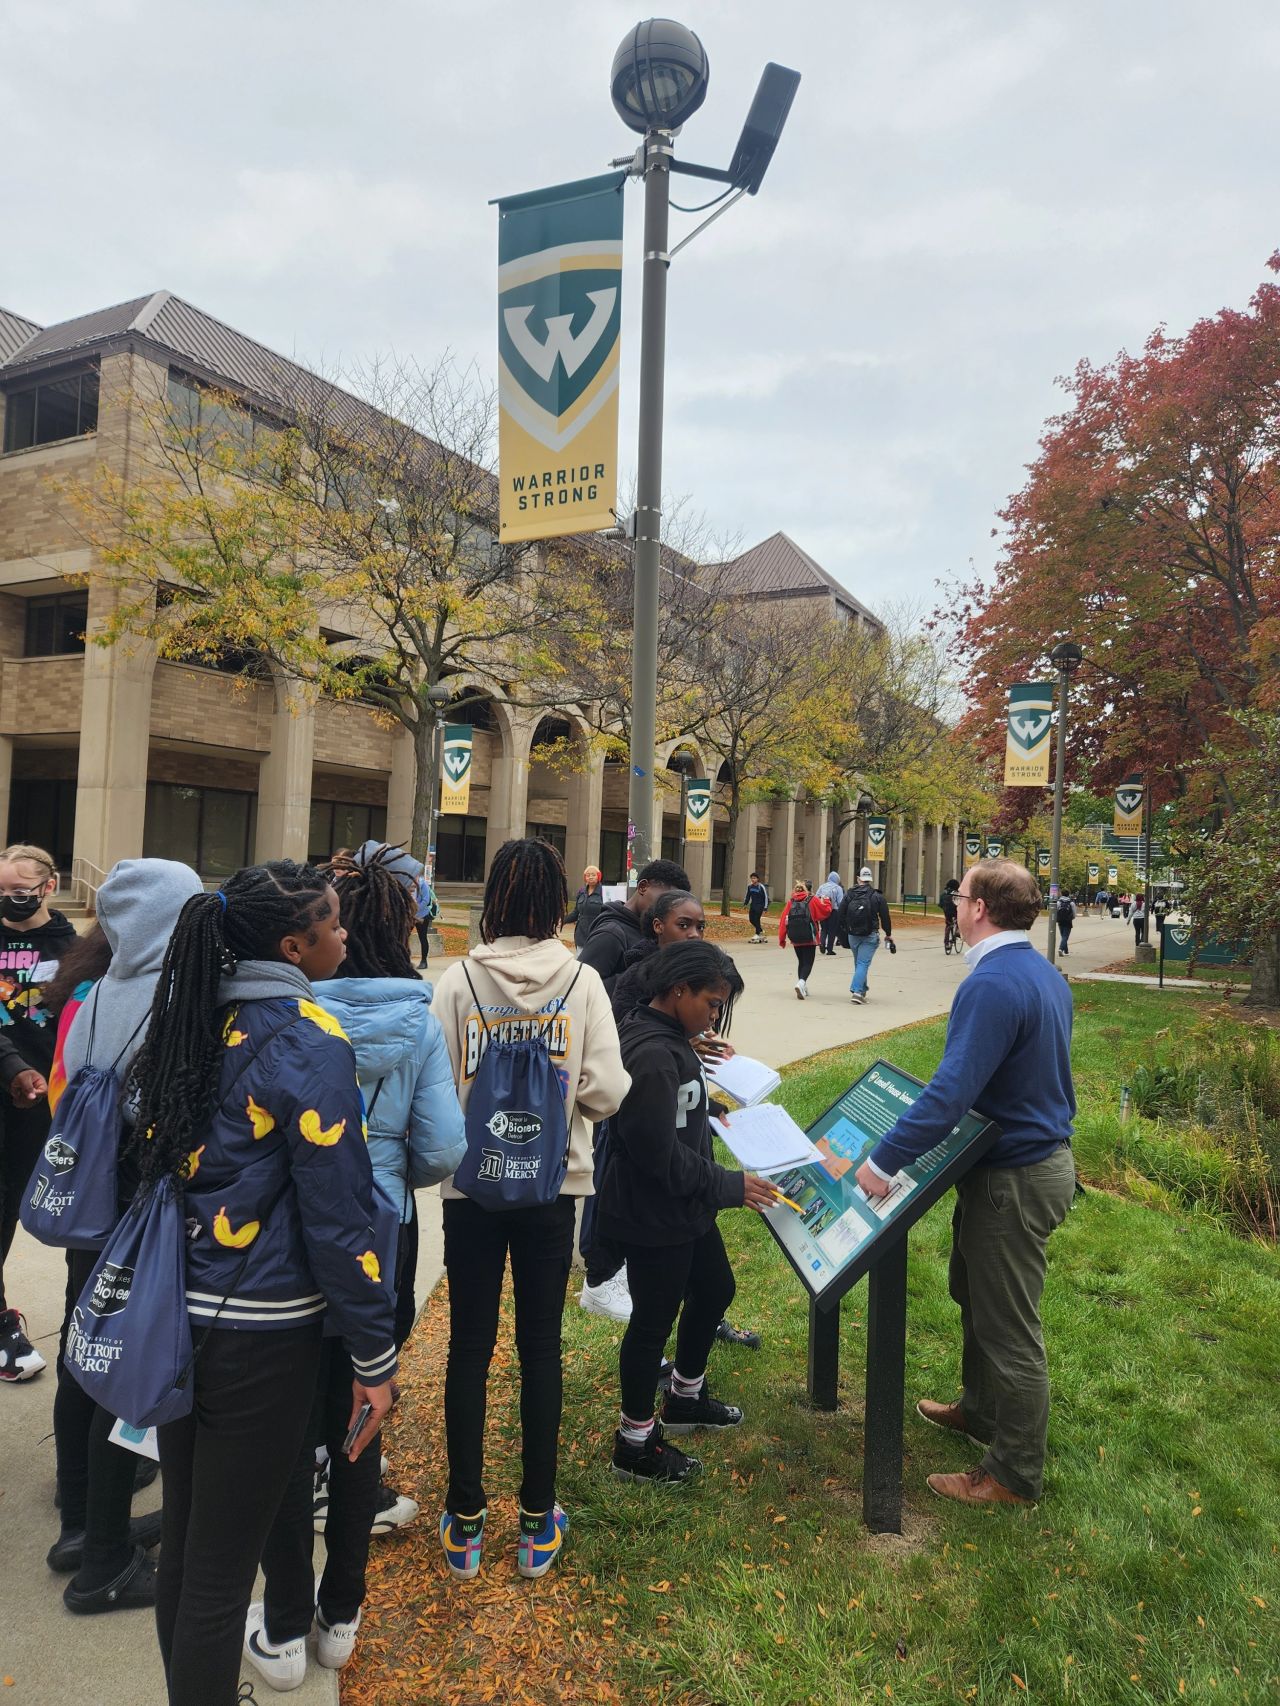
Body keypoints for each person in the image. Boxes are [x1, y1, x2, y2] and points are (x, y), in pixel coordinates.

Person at [127, 861, 398, 1706]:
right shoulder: (308, 1041)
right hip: (263, 1335)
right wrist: (374, 1354)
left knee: (193, 1554)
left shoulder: (185, 1023)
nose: (345, 934)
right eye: (332, 923)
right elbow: (340, 1219)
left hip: (179, 1321)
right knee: (216, 1576)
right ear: (293, 945)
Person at [248, 847, 465, 1688]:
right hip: (381, 1232)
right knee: (361, 1402)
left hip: (282, 1235)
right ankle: (343, 1608)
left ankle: (282, 1616)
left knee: (279, 1423)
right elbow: (444, 1146)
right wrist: (387, 1164)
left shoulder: (284, 1012)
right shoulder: (416, 1019)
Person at [431, 839, 629, 1582]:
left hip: (470, 1188)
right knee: (539, 1349)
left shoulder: (456, 982)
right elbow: (608, 1093)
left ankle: (465, 1518)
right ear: (555, 904)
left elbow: (436, 1086)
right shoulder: (580, 983)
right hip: (553, 1190)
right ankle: (538, 1520)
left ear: (492, 900)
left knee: (469, 1350)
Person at [853, 859, 1076, 1510]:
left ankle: (1012, 1475)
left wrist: (883, 1159)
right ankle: (980, 1411)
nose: (954, 903)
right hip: (1016, 1168)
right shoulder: (1039, 972)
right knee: (972, 1293)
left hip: (1016, 1177)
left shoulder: (994, 982)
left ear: (979, 909)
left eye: (960, 895)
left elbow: (951, 1092)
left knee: (1010, 1329)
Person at [49, 860, 204, 1616]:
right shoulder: (178, 1000)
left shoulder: (94, 996)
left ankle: (82, 1526)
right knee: (132, 1378)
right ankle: (106, 1562)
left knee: (87, 1357)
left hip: (92, 1215)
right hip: (145, 1220)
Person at [596, 940, 777, 1484]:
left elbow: (678, 1108)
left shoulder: (672, 1038)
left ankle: (684, 1397)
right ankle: (634, 1441)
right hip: (656, 1214)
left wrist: (715, 1111)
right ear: (677, 991)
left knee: (716, 1289)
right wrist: (728, 1185)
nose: (715, 1015)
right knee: (653, 1322)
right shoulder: (652, 1053)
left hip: (685, 1208)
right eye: (712, 1002)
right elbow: (655, 1152)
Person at [574, 857, 689, 1320]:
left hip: (638, 1060)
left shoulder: (640, 932)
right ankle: (595, 1260)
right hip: (613, 1063)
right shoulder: (611, 935)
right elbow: (583, 986)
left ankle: (611, 1257)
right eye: (662, 900)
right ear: (642, 890)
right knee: (608, 1161)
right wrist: (637, 979)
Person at [0, 842, 78, 1383]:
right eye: (1, 890)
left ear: (48, 886)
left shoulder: (76, 945)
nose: (10, 899)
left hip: (51, 1102)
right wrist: (11, 1068)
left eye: (20, 890)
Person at [577, 858, 691, 992]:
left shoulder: (654, 929)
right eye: (664, 900)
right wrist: (640, 976)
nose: (667, 909)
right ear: (643, 887)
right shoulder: (610, 934)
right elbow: (579, 988)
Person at [837, 868, 893, 1005]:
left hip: (853, 935)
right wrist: (888, 933)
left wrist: (845, 929)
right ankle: (857, 991)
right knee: (863, 963)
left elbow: (840, 913)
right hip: (870, 935)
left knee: (859, 963)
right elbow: (885, 917)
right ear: (870, 880)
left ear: (858, 878)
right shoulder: (877, 896)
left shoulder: (849, 894)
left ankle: (862, 990)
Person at [778, 881, 830, 1000]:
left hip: (795, 937)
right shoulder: (812, 900)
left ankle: (803, 985)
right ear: (807, 890)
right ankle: (801, 983)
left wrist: (782, 939)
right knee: (808, 963)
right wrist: (827, 901)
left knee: (801, 961)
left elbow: (782, 921)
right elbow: (824, 912)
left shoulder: (791, 902)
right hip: (809, 937)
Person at [565, 866, 605, 952]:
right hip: (581, 935)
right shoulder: (581, 892)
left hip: (597, 934)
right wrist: (563, 920)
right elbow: (576, 913)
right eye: (588, 875)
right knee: (580, 961)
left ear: (598, 876)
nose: (590, 877)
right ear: (585, 878)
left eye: (593, 875)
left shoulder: (604, 892)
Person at [413, 872, 439, 970]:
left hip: (422, 915)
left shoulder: (422, 884)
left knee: (422, 937)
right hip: (410, 915)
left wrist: (416, 909)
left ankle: (424, 961)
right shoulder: (408, 882)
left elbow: (426, 900)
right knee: (404, 936)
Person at [815, 871, 844, 955]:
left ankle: (822, 943)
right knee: (832, 930)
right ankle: (829, 949)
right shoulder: (838, 888)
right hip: (833, 912)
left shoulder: (822, 887)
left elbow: (816, 898)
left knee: (824, 929)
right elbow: (840, 902)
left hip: (823, 911)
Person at [743, 873, 769, 944]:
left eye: (754, 878)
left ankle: (757, 934)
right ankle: (760, 931)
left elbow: (766, 897)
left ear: (757, 879)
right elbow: (747, 896)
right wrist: (745, 904)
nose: (753, 879)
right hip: (753, 905)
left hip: (760, 906)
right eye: (752, 878)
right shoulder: (750, 887)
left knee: (757, 919)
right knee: (751, 920)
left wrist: (765, 908)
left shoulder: (761, 887)